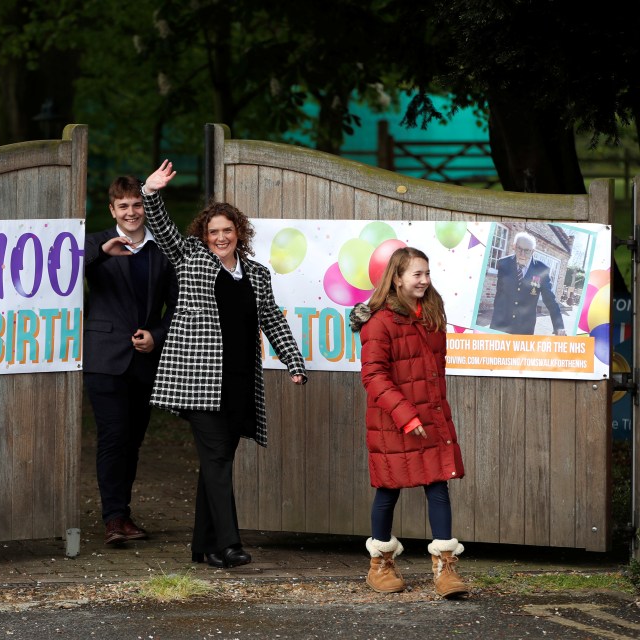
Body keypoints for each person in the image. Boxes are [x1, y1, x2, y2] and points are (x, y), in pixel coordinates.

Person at [140, 160, 307, 569]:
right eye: (213, 231)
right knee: (218, 460)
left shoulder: (256, 274)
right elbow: (162, 231)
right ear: (203, 235)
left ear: (239, 234)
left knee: (215, 464)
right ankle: (229, 544)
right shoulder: (190, 256)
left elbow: (270, 319)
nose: (219, 238)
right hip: (199, 383)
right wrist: (150, 193)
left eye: (226, 231)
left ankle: (203, 546)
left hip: (238, 384)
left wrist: (293, 361)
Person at [348, 247, 468, 599]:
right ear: (397, 278)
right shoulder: (380, 320)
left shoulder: (431, 313)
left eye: (427, 273)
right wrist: (405, 415)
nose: (425, 280)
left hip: (429, 418)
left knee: (437, 485)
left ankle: (446, 568)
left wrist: (430, 413)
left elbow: (433, 372)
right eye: (417, 274)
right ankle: (381, 564)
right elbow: (373, 375)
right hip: (393, 421)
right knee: (388, 487)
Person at [83, 175, 179, 545]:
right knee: (113, 437)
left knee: (133, 440)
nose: (132, 211)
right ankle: (113, 518)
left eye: (137, 204)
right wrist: (100, 253)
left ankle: (122, 514)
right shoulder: (94, 244)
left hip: (145, 360)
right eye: (123, 206)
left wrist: (157, 335)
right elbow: (61, 274)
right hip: (104, 358)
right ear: (113, 210)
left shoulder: (163, 250)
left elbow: (178, 305)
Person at [489, 231, 566, 335]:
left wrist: (559, 326)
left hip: (524, 328)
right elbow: (500, 293)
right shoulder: (503, 263)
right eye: (519, 249)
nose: (522, 254)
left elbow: (550, 300)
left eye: (527, 251)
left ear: (533, 251)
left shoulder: (541, 270)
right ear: (514, 246)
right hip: (500, 325)